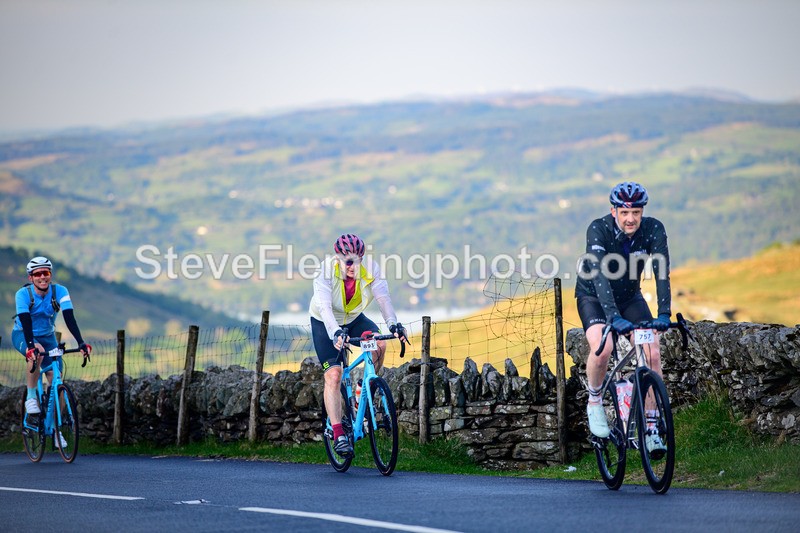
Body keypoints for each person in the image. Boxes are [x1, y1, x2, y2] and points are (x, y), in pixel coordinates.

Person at [575, 182, 671, 454]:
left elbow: (662, 271)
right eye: (625, 212)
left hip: (630, 297)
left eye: (637, 213)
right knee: (602, 347)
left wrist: (664, 312)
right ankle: (594, 400)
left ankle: (651, 428)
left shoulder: (654, 229)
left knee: (651, 353)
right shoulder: (598, 229)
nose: (631, 219)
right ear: (613, 210)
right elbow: (600, 275)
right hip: (593, 295)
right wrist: (613, 318)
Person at [309, 234, 407, 457]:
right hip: (325, 322)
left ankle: (360, 393)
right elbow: (324, 308)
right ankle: (338, 434)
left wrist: (393, 325)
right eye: (349, 261)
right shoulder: (325, 272)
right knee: (334, 375)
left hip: (353, 318)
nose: (355, 266)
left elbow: (383, 299)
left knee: (379, 344)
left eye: (359, 259)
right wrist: (335, 333)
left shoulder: (371, 268)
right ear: (338, 259)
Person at [12, 257, 92, 428]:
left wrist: (81, 343)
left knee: (57, 381)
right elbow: (25, 321)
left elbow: (69, 317)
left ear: (50, 275)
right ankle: (32, 397)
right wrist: (31, 347)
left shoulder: (60, 291)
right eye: (38, 274)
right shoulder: (23, 295)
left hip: (48, 337)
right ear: (30, 278)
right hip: (23, 334)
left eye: (46, 273)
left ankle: (56, 430)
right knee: (37, 353)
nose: (42, 277)